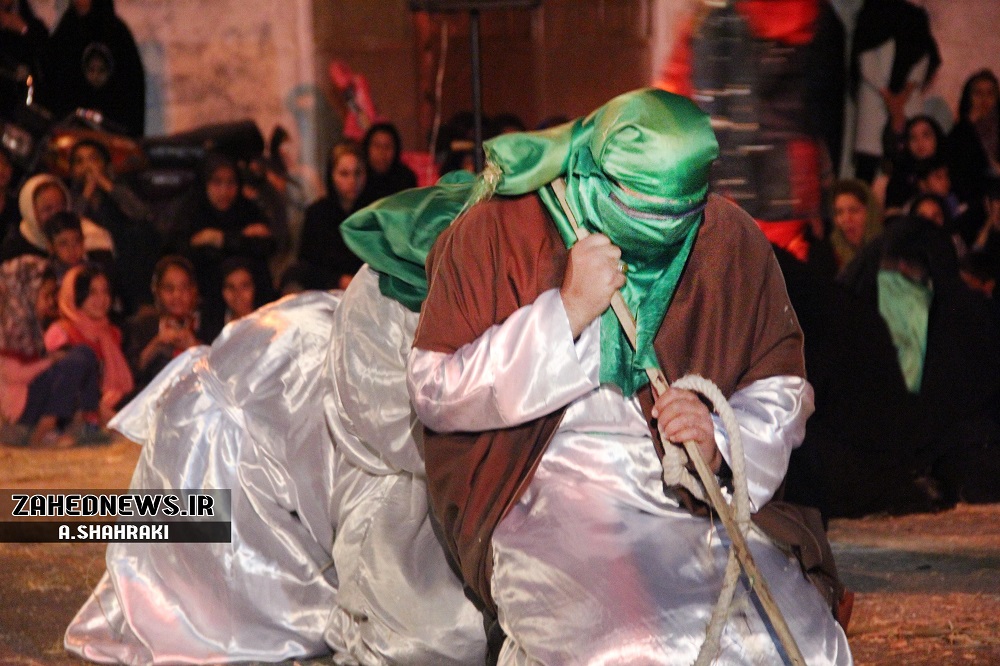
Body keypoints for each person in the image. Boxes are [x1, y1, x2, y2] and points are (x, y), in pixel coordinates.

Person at [407, 88, 851, 664]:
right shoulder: (499, 230)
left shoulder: (726, 237)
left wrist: (718, 434)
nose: (659, 232)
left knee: (796, 642)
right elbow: (435, 388)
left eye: (677, 218)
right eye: (638, 211)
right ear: (596, 175)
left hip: (685, 494)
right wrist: (565, 313)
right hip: (544, 489)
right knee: (632, 645)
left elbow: (780, 382)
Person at [65, 270, 487, 665]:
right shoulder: (390, 393)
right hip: (221, 445)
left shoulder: (385, 312)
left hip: (235, 409)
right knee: (228, 589)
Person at [0, 255, 106, 448]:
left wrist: (53, 360)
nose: (51, 302)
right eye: (45, 296)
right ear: (26, 294)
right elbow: (15, 375)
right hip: (20, 408)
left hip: (33, 395)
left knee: (84, 354)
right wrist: (51, 361)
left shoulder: (32, 327)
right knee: (72, 364)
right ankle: (45, 428)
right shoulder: (8, 330)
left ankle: (90, 420)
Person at [68, 136, 157, 314]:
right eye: (80, 162)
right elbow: (69, 225)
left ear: (106, 166)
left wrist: (104, 183)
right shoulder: (70, 198)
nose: (87, 167)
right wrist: (87, 193)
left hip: (124, 264)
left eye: (93, 159)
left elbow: (142, 214)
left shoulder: (117, 192)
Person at [38, 0, 146, 137]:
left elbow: (132, 91)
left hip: (108, 136)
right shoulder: (65, 34)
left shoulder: (116, 33)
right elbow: (52, 85)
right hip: (73, 136)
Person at [44, 262, 132, 425]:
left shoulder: (113, 333)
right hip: (70, 415)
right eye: (92, 292)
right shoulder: (60, 333)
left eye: (105, 291)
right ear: (74, 295)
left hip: (111, 407)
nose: (102, 299)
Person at [124, 255, 202, 392]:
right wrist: (156, 344)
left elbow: (221, 373)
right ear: (157, 291)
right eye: (169, 288)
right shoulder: (141, 325)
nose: (177, 295)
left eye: (184, 288)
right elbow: (128, 375)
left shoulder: (207, 324)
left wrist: (194, 347)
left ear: (193, 290)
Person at [0, 173, 114, 265]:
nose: (56, 214)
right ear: (31, 212)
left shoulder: (89, 234)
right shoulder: (15, 250)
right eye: (47, 209)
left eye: (61, 205)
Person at [299, 140, 366, 289]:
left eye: (358, 173)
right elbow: (306, 266)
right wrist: (338, 280)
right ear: (331, 176)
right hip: (326, 292)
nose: (352, 181)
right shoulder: (317, 214)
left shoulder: (373, 214)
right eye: (344, 174)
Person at [947, 69, 1000, 205]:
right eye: (978, 93)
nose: (984, 99)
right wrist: (968, 124)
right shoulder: (960, 131)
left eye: (990, 93)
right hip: (973, 196)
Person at [358, 122, 417, 206]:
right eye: (377, 146)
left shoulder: (406, 179)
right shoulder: (358, 175)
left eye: (387, 146)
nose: (382, 152)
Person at [829, 178, 882, 270]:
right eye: (839, 212)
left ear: (870, 213)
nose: (846, 219)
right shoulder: (829, 255)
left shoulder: (886, 251)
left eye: (854, 210)